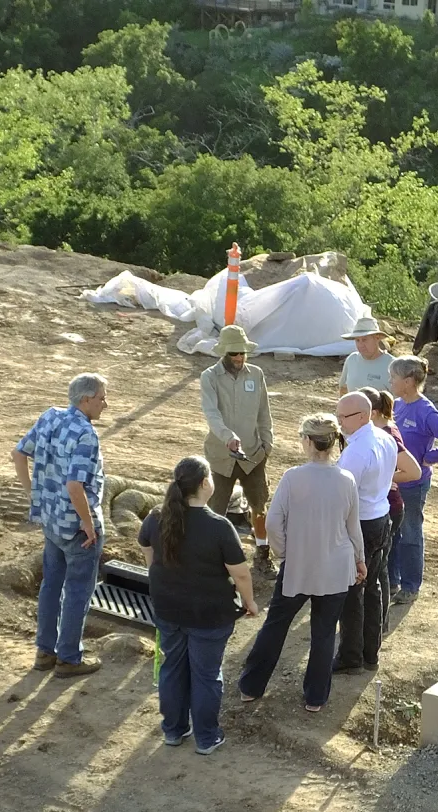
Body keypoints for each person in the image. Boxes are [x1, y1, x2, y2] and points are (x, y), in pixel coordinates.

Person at [238, 416, 365, 713]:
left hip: (299, 566)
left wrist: (284, 553)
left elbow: (272, 521)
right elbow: (353, 527)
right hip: (336, 567)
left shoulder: (293, 477)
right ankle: (315, 698)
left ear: (308, 441)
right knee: (323, 633)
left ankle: (251, 688)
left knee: (275, 626)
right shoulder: (347, 480)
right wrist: (360, 560)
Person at [138, 457, 259, 756]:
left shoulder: (156, 517)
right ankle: (206, 737)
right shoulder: (218, 526)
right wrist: (250, 602)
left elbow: (148, 552)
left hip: (168, 608)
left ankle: (174, 730)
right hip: (209, 614)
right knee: (206, 674)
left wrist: (162, 578)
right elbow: (240, 572)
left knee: (172, 668)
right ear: (205, 483)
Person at [12, 373, 109, 678]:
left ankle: (45, 652)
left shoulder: (50, 417)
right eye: (101, 397)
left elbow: (18, 454)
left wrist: (34, 494)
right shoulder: (85, 434)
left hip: (50, 520)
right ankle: (68, 657)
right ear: (85, 400)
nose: (105, 404)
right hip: (76, 526)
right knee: (78, 590)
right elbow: (75, 486)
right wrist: (88, 523)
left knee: (51, 585)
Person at [332, 391, 402, 673]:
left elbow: (341, 496)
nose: (339, 423)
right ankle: (370, 654)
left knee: (352, 593)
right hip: (381, 517)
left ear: (362, 416)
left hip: (361, 524)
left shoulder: (356, 452)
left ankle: (351, 657)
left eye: (343, 418)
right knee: (372, 587)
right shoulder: (383, 438)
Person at [200, 324, 275, 570]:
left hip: (253, 454)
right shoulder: (209, 377)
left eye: (243, 352)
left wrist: (267, 443)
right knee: (215, 510)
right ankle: (213, 560)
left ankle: (263, 554)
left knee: (259, 507)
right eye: (235, 353)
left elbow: (264, 412)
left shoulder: (256, 374)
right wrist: (227, 437)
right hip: (222, 456)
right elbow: (211, 414)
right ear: (224, 353)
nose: (240, 357)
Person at [389, 355, 438, 605]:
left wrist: (427, 459)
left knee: (410, 533)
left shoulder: (425, 411)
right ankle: (393, 580)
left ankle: (410, 586)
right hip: (395, 481)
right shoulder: (397, 405)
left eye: (394, 378)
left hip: (413, 485)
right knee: (392, 532)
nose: (390, 382)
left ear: (408, 381)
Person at [362, 388, 421, 616]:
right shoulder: (383, 428)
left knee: (379, 569)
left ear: (372, 412)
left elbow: (413, 471)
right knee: (383, 564)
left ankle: (380, 619)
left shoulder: (386, 433)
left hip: (386, 506)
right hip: (386, 505)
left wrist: (385, 477)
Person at [337, 313, 396, 396]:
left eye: (364, 340)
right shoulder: (351, 359)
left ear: (377, 338)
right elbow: (343, 389)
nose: (361, 345)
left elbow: (399, 400)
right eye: (357, 340)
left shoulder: (393, 365)